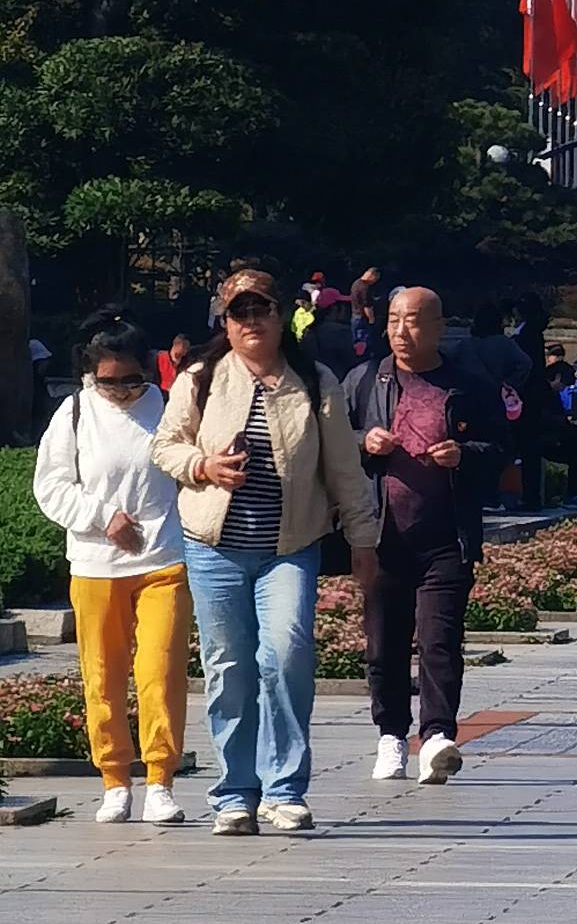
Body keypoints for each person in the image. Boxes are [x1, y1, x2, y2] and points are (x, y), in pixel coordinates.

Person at [154, 265, 380, 837]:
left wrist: (363, 540)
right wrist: (203, 466)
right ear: (225, 323)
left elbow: (344, 470)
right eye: (240, 312)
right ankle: (234, 793)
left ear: (282, 316)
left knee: (286, 655)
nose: (252, 321)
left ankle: (284, 790)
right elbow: (164, 447)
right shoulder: (201, 377)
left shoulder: (314, 379)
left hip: (290, 546)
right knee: (228, 668)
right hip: (215, 547)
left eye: (262, 310)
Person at [345, 286, 508, 783]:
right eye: (393, 320)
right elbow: (329, 445)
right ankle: (391, 736)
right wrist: (363, 442)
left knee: (439, 640)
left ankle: (437, 736)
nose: (400, 331)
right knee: (383, 644)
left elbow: (502, 448)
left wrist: (465, 453)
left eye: (413, 321)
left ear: (439, 326)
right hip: (381, 534)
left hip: (446, 535)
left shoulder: (468, 383)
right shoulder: (366, 379)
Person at [35, 314, 192, 824]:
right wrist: (103, 518)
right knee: (101, 676)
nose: (123, 391)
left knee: (160, 672)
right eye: (110, 381)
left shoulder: (168, 408)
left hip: (164, 560)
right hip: (96, 563)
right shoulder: (75, 413)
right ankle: (114, 779)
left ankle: (161, 779)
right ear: (89, 374)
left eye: (132, 379)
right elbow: (51, 486)